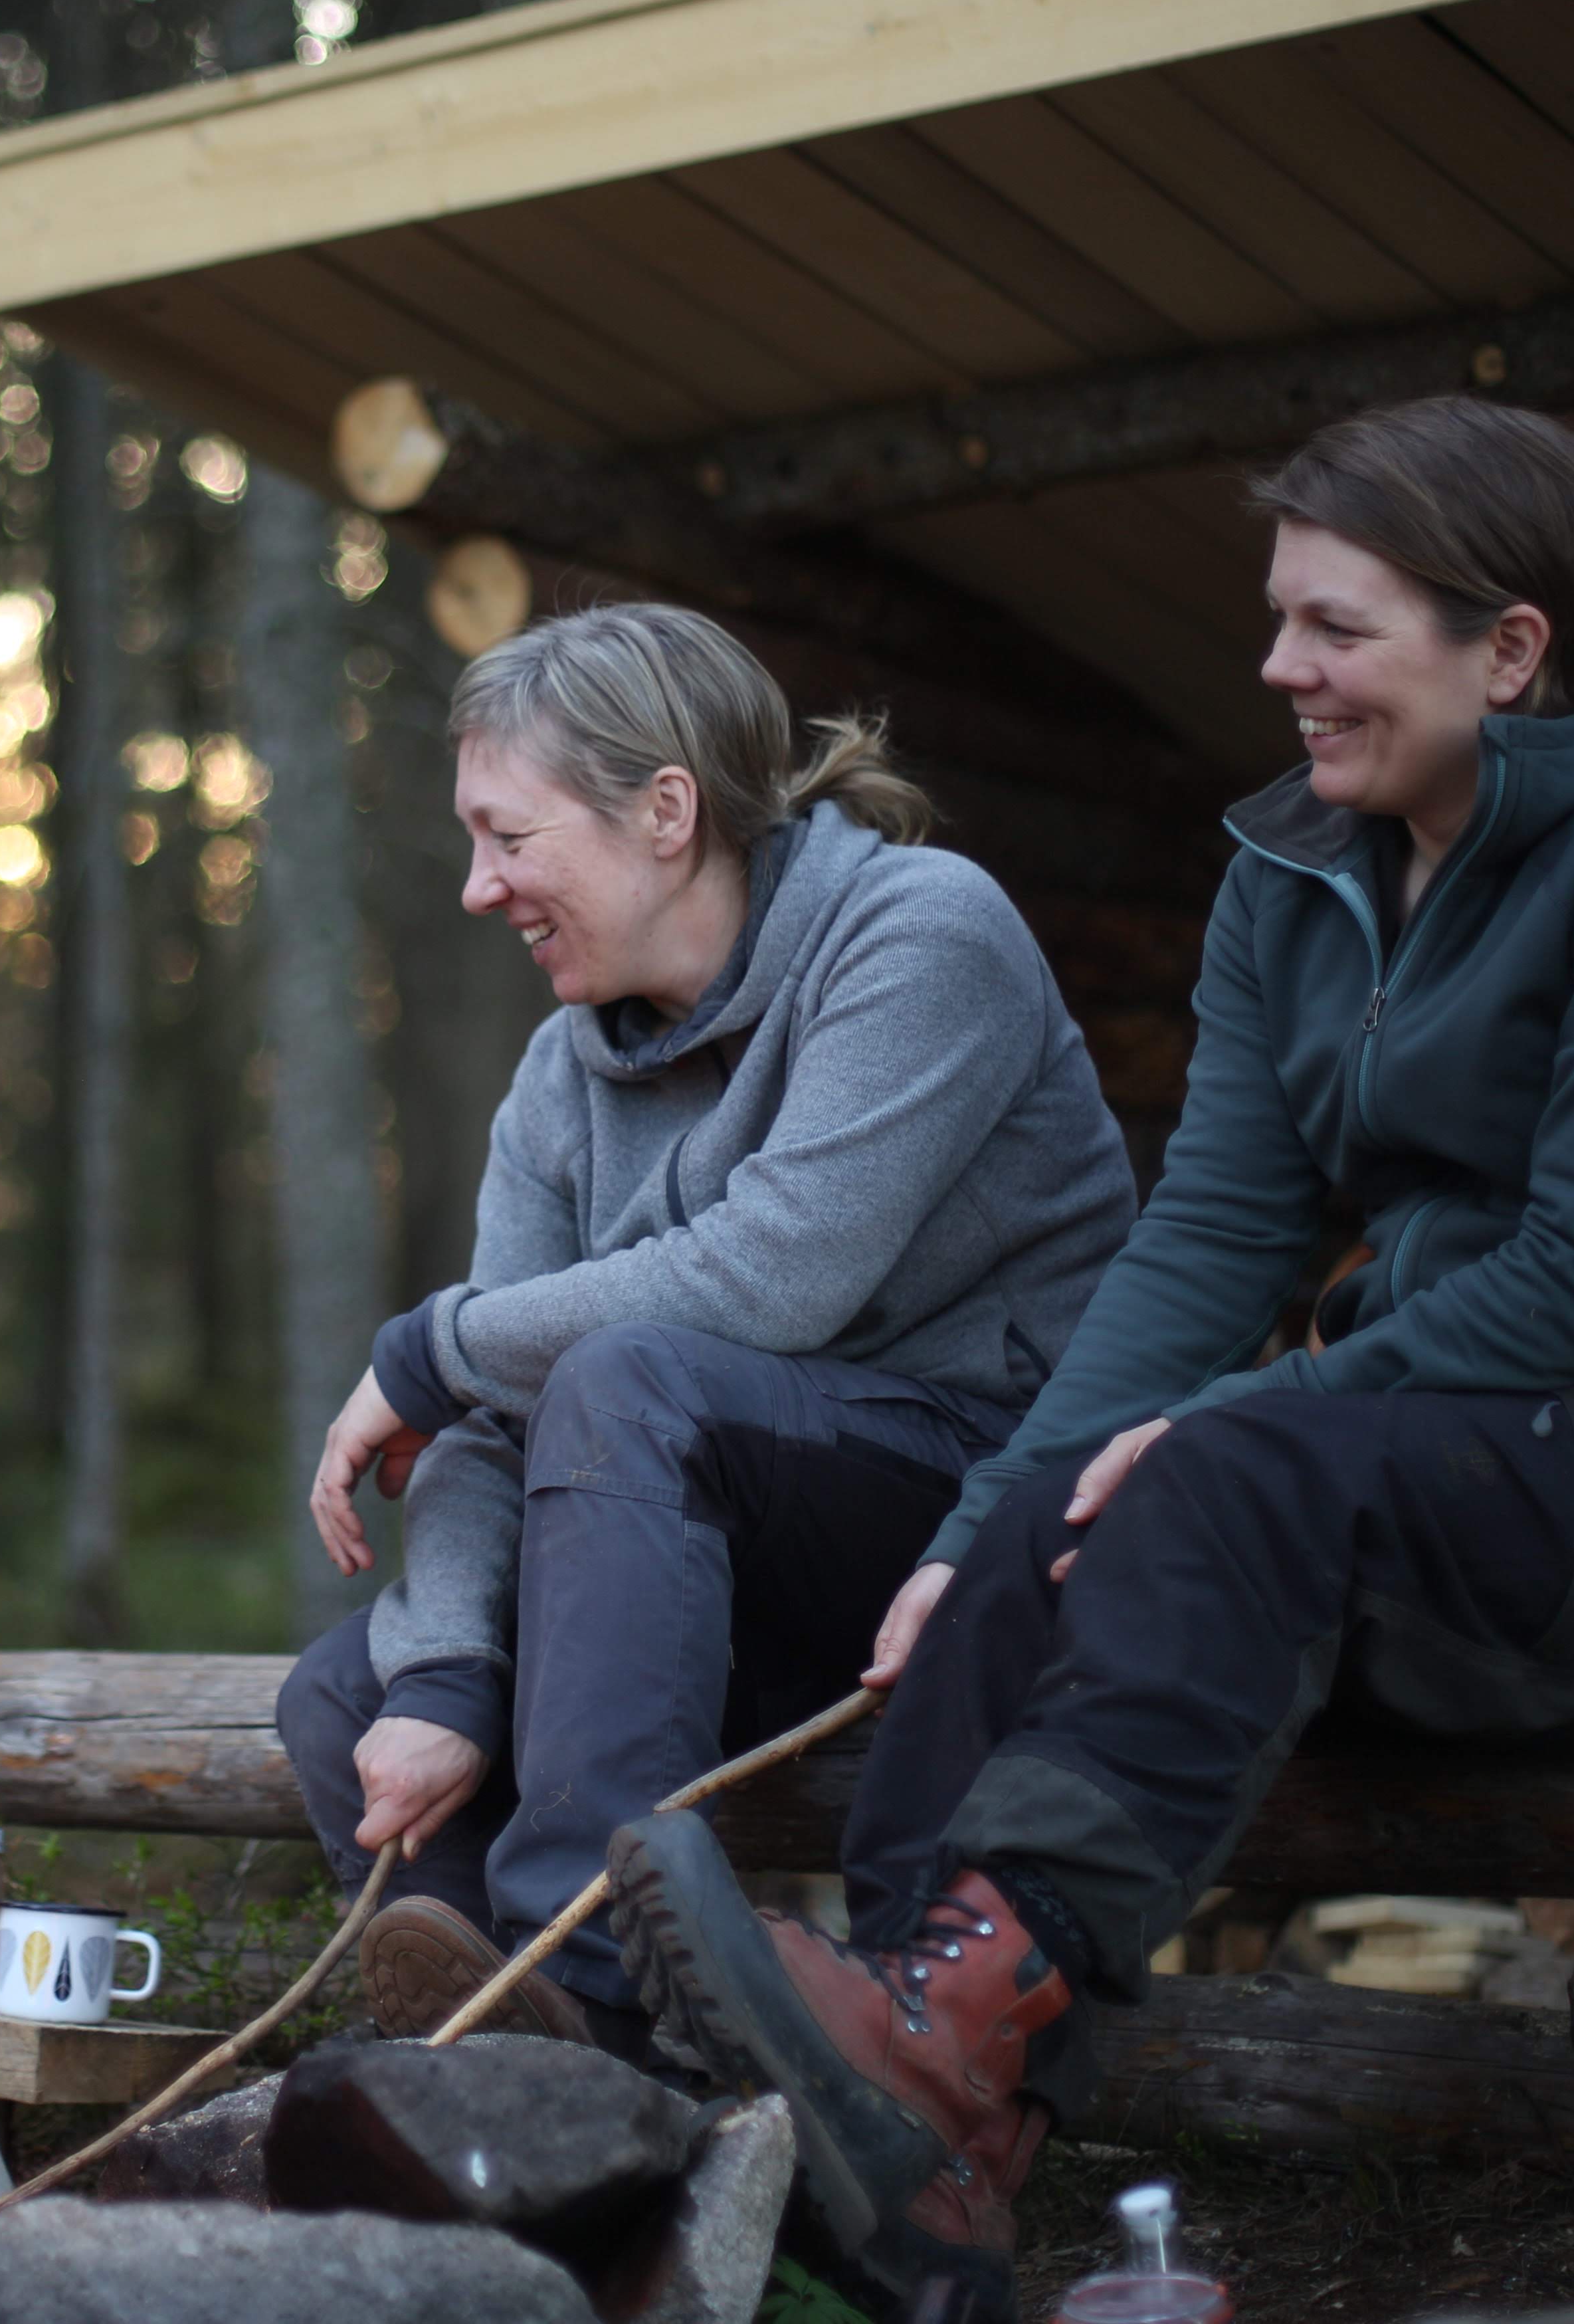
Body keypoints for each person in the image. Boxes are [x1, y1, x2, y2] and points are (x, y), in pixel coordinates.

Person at [605, 399, 1574, 2321]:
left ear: (1512, 651)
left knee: (1221, 1469)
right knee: (1042, 1526)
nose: (1277, 669)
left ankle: (947, 2045)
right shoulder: (1295, 869)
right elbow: (1209, 1245)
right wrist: (983, 1522)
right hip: (1452, 1478)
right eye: (1278, 618)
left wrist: (1234, 1426)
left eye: (1332, 628)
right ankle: (916, 2151)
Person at [278, 601, 1139, 2059]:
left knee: (628, 1377)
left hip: (977, 1520)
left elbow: (773, 1277)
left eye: (512, 837)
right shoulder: (565, 1074)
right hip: (701, 1546)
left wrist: (425, 1349)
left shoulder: (920, 934)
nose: (481, 889)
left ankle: (591, 2007)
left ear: (666, 811)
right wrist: (447, 1679)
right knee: (344, 1691)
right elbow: (499, 1407)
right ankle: (513, 2104)